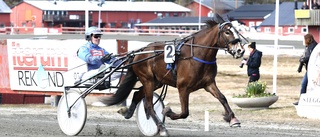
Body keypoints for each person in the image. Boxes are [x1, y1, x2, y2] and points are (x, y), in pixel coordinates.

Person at [293, 33, 318, 105]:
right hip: (310, 69)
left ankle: (304, 101)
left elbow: (310, 57)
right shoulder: (308, 47)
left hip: (313, 70)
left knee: (305, 84)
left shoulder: (313, 47)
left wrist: (303, 60)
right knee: (304, 84)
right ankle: (302, 100)